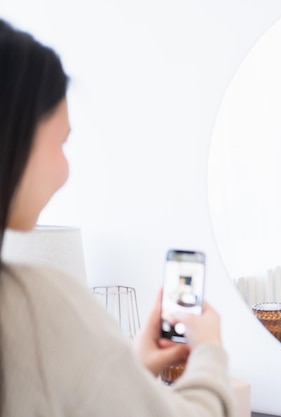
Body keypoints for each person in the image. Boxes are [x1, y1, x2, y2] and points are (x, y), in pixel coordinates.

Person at [0, 19, 234, 416]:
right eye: (61, 142)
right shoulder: (33, 306)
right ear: (14, 138)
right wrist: (210, 351)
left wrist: (126, 366)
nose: (65, 171)